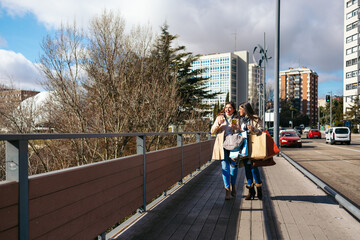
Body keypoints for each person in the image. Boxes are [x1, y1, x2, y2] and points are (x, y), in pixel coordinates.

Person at [211, 102, 240, 200]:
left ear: (233, 109)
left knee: (234, 167)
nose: (228, 110)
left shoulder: (236, 118)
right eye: (226, 108)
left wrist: (235, 128)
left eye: (230, 108)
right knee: (225, 167)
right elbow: (212, 131)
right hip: (222, 146)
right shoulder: (220, 118)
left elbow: (238, 132)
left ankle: (233, 185)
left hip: (233, 145)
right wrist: (219, 126)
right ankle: (227, 189)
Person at [238, 102, 264, 200]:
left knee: (253, 168)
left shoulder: (255, 119)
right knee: (247, 169)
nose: (239, 111)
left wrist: (254, 129)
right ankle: (251, 191)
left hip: (253, 147)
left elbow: (261, 130)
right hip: (244, 147)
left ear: (245, 109)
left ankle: (259, 188)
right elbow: (240, 132)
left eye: (240, 109)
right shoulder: (240, 120)